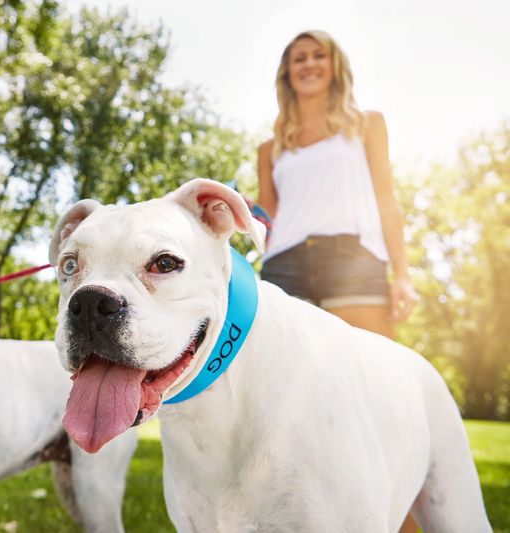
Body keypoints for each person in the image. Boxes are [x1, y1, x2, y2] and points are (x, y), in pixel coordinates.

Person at [256, 30, 420, 532]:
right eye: (297, 58)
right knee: (284, 398)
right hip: (285, 265)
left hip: (354, 257)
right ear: (287, 73)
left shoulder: (367, 125)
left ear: (334, 65)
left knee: (379, 391)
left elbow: (387, 199)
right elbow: (267, 218)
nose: (308, 64)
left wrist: (403, 273)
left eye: (317, 55)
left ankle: (405, 521)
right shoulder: (271, 147)